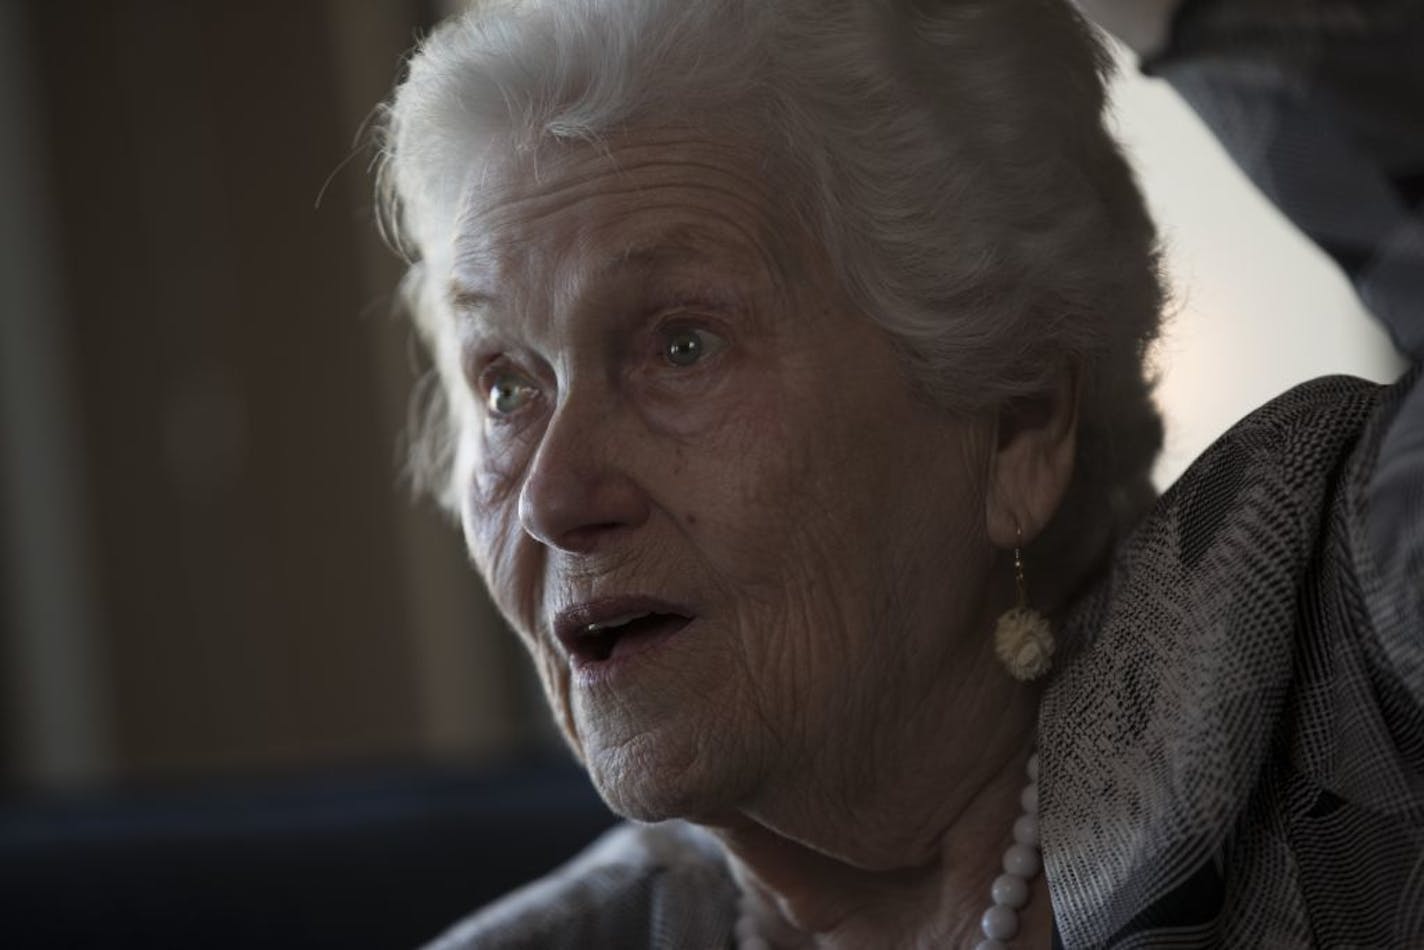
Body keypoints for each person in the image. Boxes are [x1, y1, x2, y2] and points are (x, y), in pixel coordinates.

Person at [374, 0, 1423, 945]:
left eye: (682, 346)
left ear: (1016, 421)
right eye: (506, 387)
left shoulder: (1313, 640)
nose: (556, 499)